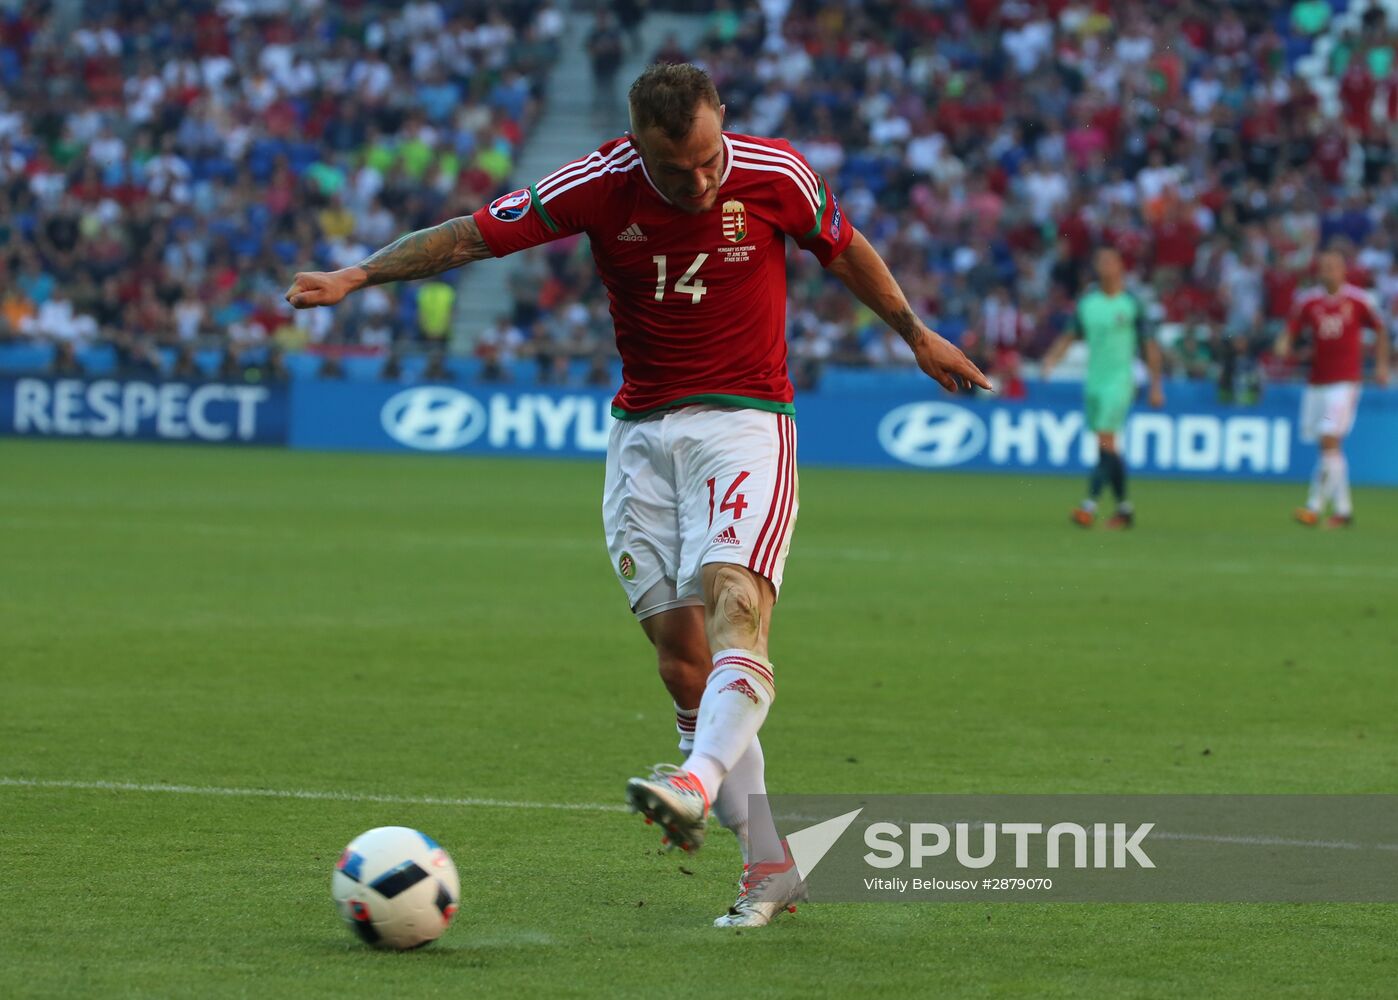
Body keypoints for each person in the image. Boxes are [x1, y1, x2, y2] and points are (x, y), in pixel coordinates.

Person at [285, 63, 987, 928]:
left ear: (721, 119)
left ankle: (694, 779)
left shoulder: (778, 175)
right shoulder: (599, 185)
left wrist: (916, 334)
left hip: (746, 421)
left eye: (704, 160)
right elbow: (472, 236)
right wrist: (356, 276)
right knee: (680, 655)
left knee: (738, 599)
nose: (695, 182)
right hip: (641, 437)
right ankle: (769, 864)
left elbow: (844, 250)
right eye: (671, 169)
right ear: (637, 147)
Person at [1041, 246, 1164, 529]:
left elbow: (1150, 346)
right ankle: (1124, 509)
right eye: (1100, 262)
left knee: (1106, 441)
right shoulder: (1088, 303)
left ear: (1121, 266)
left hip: (1121, 381)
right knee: (1106, 448)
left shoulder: (1132, 303)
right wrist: (1051, 359)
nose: (1105, 266)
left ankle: (1089, 506)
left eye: (1110, 261)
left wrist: (1157, 385)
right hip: (1094, 382)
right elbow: (1069, 336)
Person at [1275, 249, 1390, 528]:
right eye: (1323, 266)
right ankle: (1343, 510)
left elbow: (1381, 329)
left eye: (1333, 267)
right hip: (1317, 383)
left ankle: (1313, 507)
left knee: (1329, 439)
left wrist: (1382, 364)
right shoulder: (1309, 301)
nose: (1327, 271)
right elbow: (1291, 327)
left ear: (1343, 271)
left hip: (1344, 383)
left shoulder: (1358, 300)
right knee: (1329, 448)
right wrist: (1284, 343)